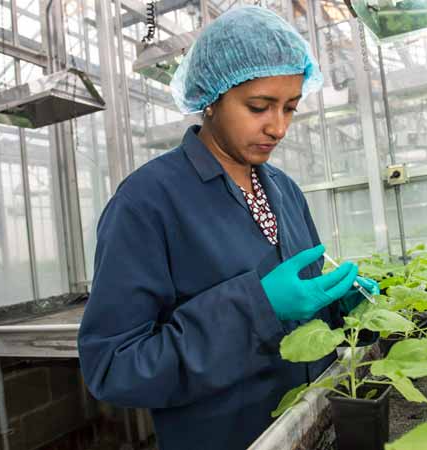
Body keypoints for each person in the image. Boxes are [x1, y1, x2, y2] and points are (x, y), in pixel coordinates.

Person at [77, 6, 379, 450]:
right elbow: (114, 367)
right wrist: (256, 309)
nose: (278, 127)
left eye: (290, 108)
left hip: (311, 429)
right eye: (258, 107)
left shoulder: (284, 190)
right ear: (212, 98)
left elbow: (299, 313)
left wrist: (336, 307)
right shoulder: (147, 202)